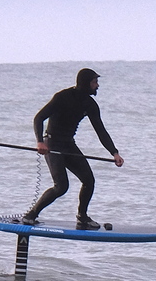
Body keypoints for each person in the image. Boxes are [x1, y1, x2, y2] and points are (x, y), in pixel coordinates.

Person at [22, 68, 125, 228]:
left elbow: (101, 131)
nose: (97, 86)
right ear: (86, 83)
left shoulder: (90, 105)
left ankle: (82, 217)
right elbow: (39, 118)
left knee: (89, 181)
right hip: (52, 143)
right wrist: (40, 142)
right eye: (94, 82)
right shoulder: (62, 97)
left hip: (68, 144)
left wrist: (114, 152)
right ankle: (31, 215)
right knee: (61, 187)